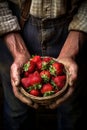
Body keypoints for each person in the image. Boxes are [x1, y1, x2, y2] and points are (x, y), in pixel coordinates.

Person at [0, 0, 87, 130]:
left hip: (74, 21)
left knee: (72, 110)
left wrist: (72, 49)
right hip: (14, 21)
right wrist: (18, 52)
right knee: (16, 111)